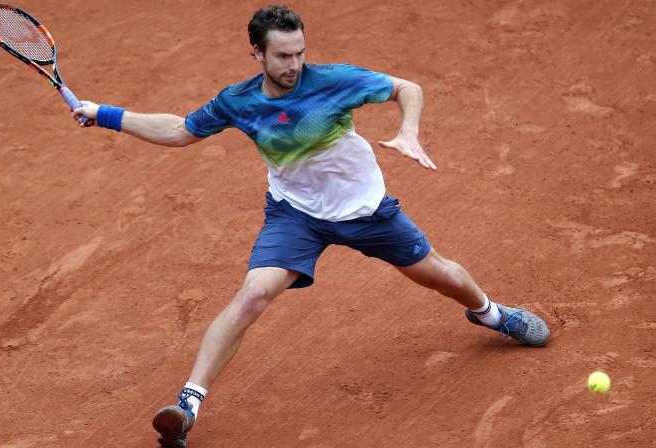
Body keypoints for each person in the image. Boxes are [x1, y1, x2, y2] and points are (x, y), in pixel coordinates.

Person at [73, 4, 550, 447]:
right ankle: (187, 406)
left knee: (441, 275)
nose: (294, 64)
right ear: (257, 52)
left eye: (300, 52)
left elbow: (408, 88)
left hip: (364, 212)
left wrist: (408, 131)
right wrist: (106, 115)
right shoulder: (238, 102)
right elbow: (180, 130)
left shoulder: (336, 81)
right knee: (253, 295)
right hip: (296, 215)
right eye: (282, 55)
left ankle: (492, 314)